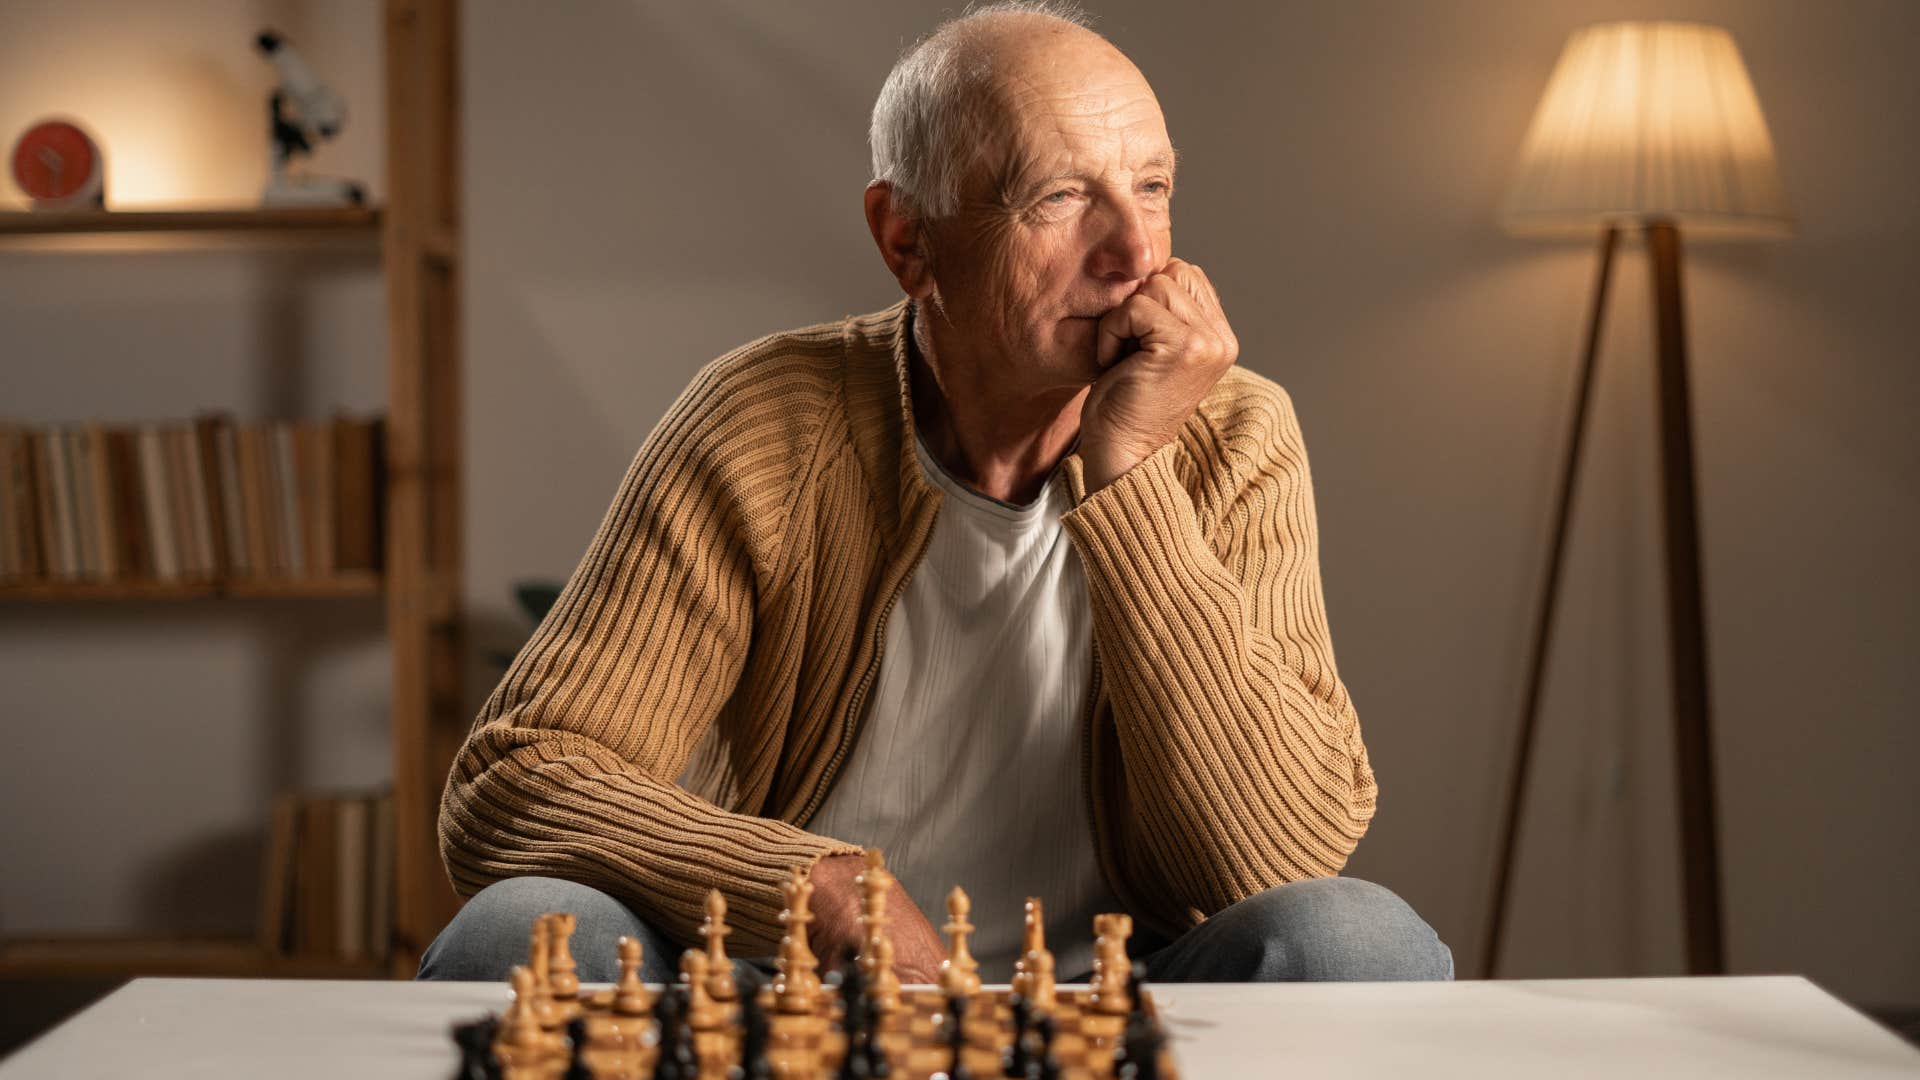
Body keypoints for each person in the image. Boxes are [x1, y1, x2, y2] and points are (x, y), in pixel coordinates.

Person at [419, 0, 1452, 987]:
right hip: (796, 992)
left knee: (1358, 944)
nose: (1136, 254)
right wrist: (810, 890)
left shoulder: (1234, 430)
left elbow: (1274, 861)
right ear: (908, 241)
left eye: (1151, 187)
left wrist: (1133, 470)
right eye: (1059, 196)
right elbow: (514, 780)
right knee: (517, 935)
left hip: (1115, 1001)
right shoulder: (767, 420)